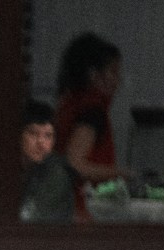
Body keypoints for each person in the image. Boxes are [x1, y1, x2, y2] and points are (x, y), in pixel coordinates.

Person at [54, 33, 126, 214]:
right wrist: (124, 174)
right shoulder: (91, 112)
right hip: (83, 208)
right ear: (93, 75)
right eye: (113, 72)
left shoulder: (67, 105)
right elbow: (75, 164)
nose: (118, 81)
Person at [20, 100, 73, 225]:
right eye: (33, 133)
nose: (41, 143)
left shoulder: (57, 174)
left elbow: (31, 220)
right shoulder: (5, 164)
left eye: (48, 136)